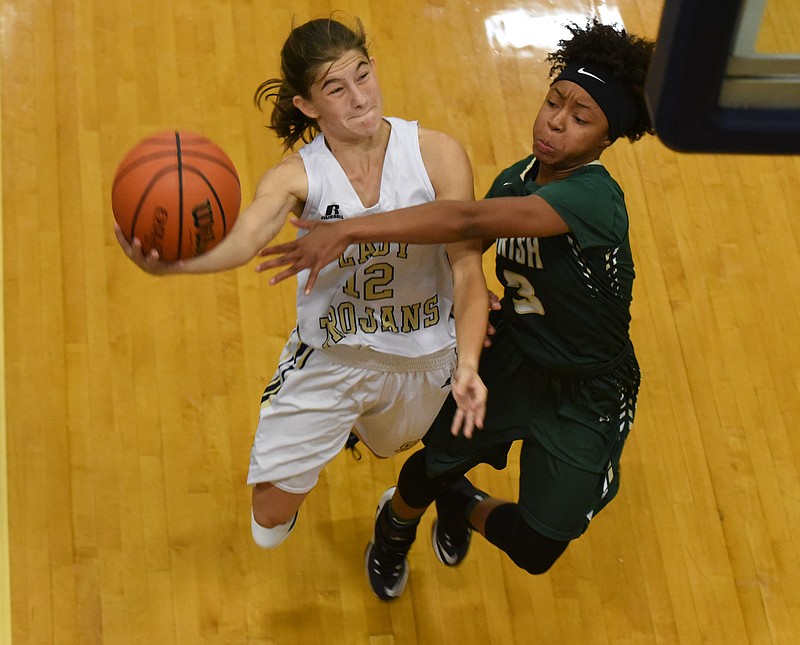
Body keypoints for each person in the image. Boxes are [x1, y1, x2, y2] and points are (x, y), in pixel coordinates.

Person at [257, 18, 655, 600]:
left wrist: (349, 232)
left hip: (588, 390)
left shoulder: (592, 198)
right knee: (430, 463)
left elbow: (465, 221)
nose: (554, 122)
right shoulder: (515, 182)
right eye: (553, 102)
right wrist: (465, 297)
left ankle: (463, 503)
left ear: (606, 138)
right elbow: (460, 256)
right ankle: (395, 528)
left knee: (538, 549)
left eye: (580, 117)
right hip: (515, 355)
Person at [114, 14, 489, 589]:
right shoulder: (297, 177)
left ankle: (373, 462)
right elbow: (245, 237)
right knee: (268, 518)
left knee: (394, 452)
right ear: (308, 105)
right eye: (337, 89)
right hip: (335, 358)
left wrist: (466, 363)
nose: (360, 97)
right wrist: (175, 265)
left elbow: (468, 273)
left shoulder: (437, 155)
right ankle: (333, 425)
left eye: (364, 75)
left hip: (423, 354)